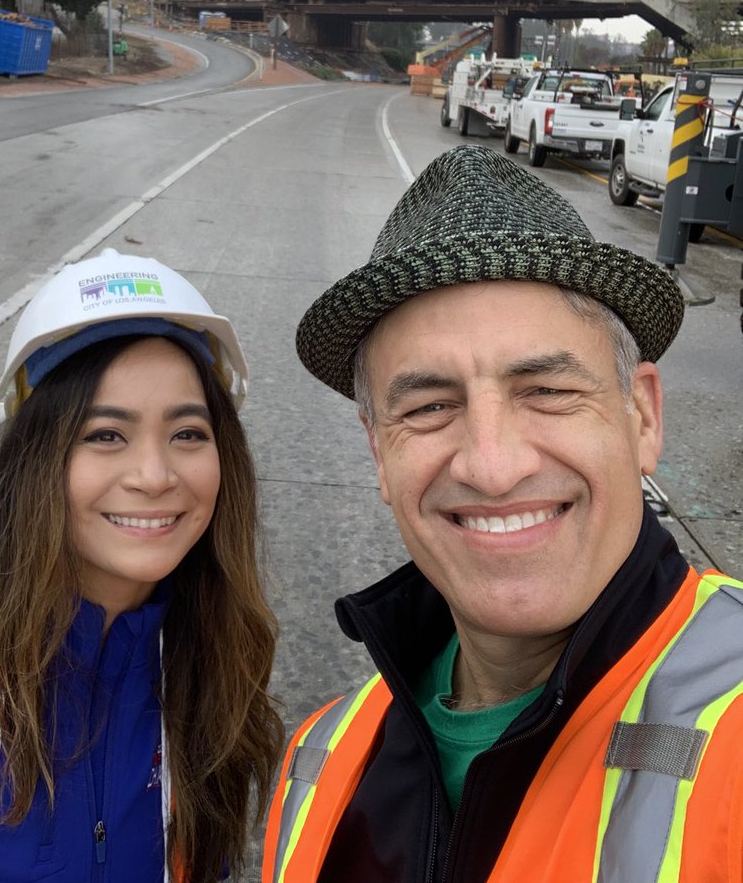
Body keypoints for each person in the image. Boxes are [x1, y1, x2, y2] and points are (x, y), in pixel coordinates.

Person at [263, 145, 743, 883]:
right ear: (377, 451)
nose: (491, 466)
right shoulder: (317, 763)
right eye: (428, 407)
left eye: (547, 391)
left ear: (642, 417)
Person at [0, 248, 283, 881]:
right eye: (105, 434)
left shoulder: (210, 667)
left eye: (188, 433)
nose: (155, 477)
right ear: (33, 459)